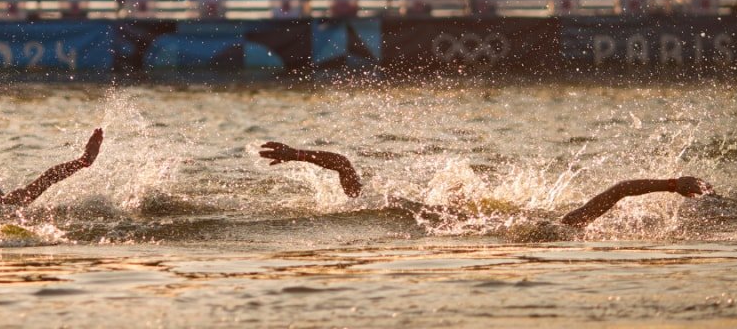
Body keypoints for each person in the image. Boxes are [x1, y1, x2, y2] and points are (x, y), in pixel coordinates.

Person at [258, 141, 713, 232]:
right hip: (431, 217)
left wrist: (674, 183)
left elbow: (619, 190)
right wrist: (673, 183)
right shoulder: (565, 226)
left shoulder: (561, 226)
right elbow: (619, 190)